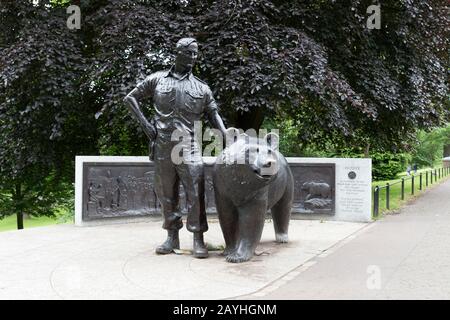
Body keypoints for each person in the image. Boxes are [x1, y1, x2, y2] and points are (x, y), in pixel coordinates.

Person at [124, 38, 227, 258]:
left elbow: (213, 115)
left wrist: (227, 137)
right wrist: (147, 126)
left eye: (195, 54)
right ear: (178, 53)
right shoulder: (157, 80)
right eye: (189, 53)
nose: (193, 57)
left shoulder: (201, 87)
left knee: (195, 192)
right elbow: (130, 98)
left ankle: (198, 238)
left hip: (188, 145)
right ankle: (172, 237)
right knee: (166, 193)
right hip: (162, 145)